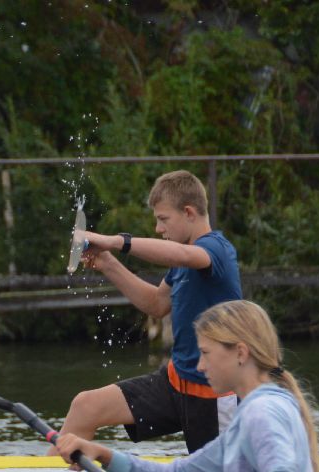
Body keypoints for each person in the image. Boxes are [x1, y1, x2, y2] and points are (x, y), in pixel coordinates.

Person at [52, 299, 319, 472]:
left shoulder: (262, 411)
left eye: (205, 353)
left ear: (240, 353)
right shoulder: (258, 413)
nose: (200, 366)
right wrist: (105, 455)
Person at [58, 169, 242, 454]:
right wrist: (108, 263)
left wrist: (115, 241)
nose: (158, 228)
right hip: (175, 383)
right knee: (85, 406)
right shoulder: (180, 262)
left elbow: (185, 255)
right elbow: (156, 304)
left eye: (163, 219)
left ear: (189, 213)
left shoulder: (217, 249)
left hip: (214, 395)